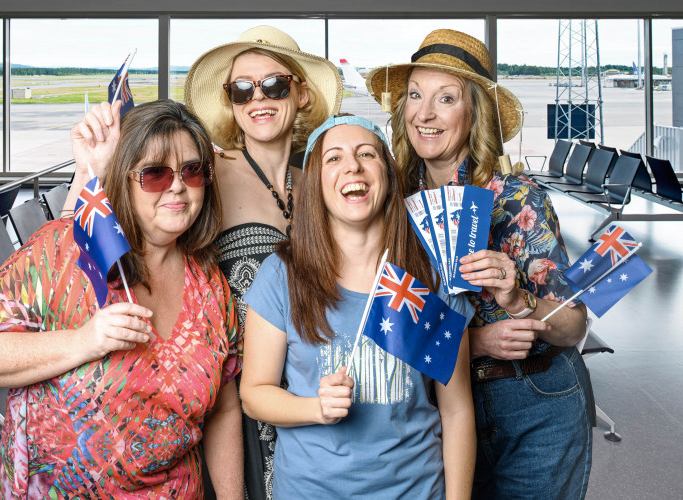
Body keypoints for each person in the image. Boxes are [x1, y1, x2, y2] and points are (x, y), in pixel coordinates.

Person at [65, 26, 342, 499]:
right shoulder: (202, 173)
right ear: (229, 101)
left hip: (313, 391)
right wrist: (89, 169)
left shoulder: (319, 181)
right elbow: (84, 240)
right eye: (242, 88)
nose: (259, 98)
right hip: (228, 395)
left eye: (274, 85)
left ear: (301, 94)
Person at [0, 100, 244, 499]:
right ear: (123, 180)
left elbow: (224, 408)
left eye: (191, 170)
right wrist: (83, 341)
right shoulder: (64, 249)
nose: (177, 185)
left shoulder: (211, 285)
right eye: (155, 173)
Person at [367, 29, 593, 499]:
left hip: (534, 401)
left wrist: (518, 298)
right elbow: (389, 324)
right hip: (441, 402)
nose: (424, 114)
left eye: (445, 99)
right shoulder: (394, 203)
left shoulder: (518, 199)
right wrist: (475, 342)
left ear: (475, 112)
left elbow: (574, 328)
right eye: (414, 96)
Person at [239, 114, 476, 499]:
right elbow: (253, 394)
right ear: (316, 183)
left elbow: (457, 411)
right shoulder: (281, 274)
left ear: (387, 175)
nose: (352, 165)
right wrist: (316, 408)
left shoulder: (430, 277)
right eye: (334, 158)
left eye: (366, 153)